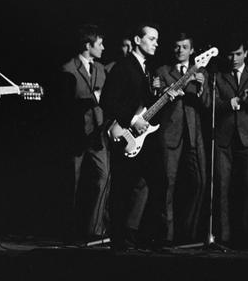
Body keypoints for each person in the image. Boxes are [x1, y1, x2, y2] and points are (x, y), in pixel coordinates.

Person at [101, 23, 175, 250]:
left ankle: (150, 237)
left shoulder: (147, 69)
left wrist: (166, 97)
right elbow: (107, 101)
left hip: (145, 138)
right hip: (126, 136)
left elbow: (146, 106)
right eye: (151, 39)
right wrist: (133, 121)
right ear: (137, 40)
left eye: (157, 39)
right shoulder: (123, 67)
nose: (156, 43)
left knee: (159, 182)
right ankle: (119, 239)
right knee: (123, 187)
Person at [153, 33, 209, 246]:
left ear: (192, 50)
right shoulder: (163, 72)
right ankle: (166, 235)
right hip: (169, 133)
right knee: (168, 184)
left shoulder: (201, 71)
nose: (180, 51)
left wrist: (202, 87)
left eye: (184, 47)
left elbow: (207, 105)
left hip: (194, 135)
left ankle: (188, 234)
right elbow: (155, 103)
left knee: (200, 183)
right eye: (176, 47)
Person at [60, 24, 110, 244]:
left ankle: (95, 231)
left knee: (103, 177)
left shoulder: (101, 69)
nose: (103, 47)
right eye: (99, 44)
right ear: (88, 46)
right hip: (76, 134)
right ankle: (70, 231)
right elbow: (64, 104)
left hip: (98, 133)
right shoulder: (68, 69)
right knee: (73, 182)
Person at [214, 35, 248, 249]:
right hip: (223, 140)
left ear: (246, 53)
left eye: (238, 54)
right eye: (231, 54)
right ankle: (224, 238)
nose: (234, 58)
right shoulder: (218, 76)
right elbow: (212, 105)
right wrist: (231, 102)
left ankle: (244, 238)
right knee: (222, 189)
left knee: (246, 188)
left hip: (247, 139)